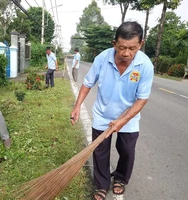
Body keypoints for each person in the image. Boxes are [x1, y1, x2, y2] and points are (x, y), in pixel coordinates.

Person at [70, 21, 154, 200]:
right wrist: (77, 107)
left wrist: (122, 121)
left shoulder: (145, 65)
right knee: (100, 151)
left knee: (127, 151)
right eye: (122, 47)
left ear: (141, 44)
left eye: (132, 48)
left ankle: (120, 179)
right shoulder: (103, 58)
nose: (126, 53)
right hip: (102, 114)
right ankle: (101, 184)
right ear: (114, 43)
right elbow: (87, 84)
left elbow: (142, 99)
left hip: (128, 117)